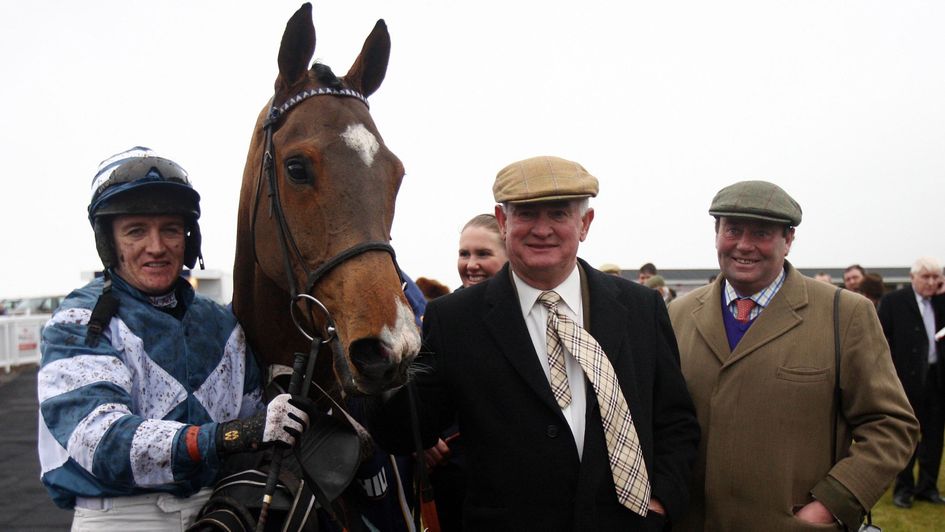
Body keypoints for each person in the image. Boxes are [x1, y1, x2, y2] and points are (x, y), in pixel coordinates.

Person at [375, 155, 699, 530]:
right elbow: (403, 426)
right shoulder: (454, 319)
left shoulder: (640, 308)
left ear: (585, 224)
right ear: (503, 221)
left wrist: (660, 502)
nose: (542, 230)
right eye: (526, 214)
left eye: (559, 214)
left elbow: (675, 421)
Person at [37, 147, 309, 530]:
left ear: (189, 237)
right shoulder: (79, 322)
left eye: (170, 228)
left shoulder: (224, 326)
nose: (157, 247)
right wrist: (226, 436)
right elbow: (102, 443)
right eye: (136, 231)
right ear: (109, 242)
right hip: (122, 516)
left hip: (218, 507)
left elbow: (255, 425)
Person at [668, 180, 918, 530]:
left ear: (789, 239)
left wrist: (832, 503)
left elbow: (892, 425)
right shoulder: (675, 317)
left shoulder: (844, 314)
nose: (744, 245)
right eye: (733, 230)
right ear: (716, 232)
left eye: (761, 233)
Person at [878, 257, 945, 509]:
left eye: (935, 277)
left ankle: (927, 488)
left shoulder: (941, 302)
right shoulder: (895, 302)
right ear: (912, 277)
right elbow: (881, 340)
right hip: (904, 382)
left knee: (934, 438)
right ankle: (903, 489)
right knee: (906, 438)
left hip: (936, 381)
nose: (931, 282)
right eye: (925, 277)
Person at [456, 213, 507, 289]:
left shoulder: (527, 299)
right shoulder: (445, 301)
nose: (471, 265)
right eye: (464, 254)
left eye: (483, 254)